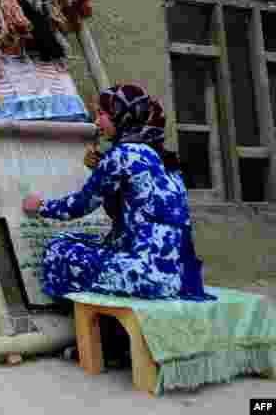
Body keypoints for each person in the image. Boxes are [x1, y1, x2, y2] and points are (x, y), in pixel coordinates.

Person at [21, 84, 213, 301]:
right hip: (181, 276)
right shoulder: (165, 159)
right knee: (77, 239)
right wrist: (100, 167)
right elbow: (135, 207)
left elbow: (81, 205)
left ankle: (90, 321)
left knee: (57, 249)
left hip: (147, 277)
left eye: (101, 114)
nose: (96, 122)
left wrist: (41, 207)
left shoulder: (122, 154)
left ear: (121, 115)